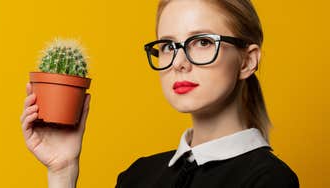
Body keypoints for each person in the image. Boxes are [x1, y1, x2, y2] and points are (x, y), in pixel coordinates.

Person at [20, 0, 299, 187]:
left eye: (202, 42)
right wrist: (63, 172)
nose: (179, 62)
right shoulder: (137, 176)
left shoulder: (268, 180)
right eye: (168, 46)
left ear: (248, 61)